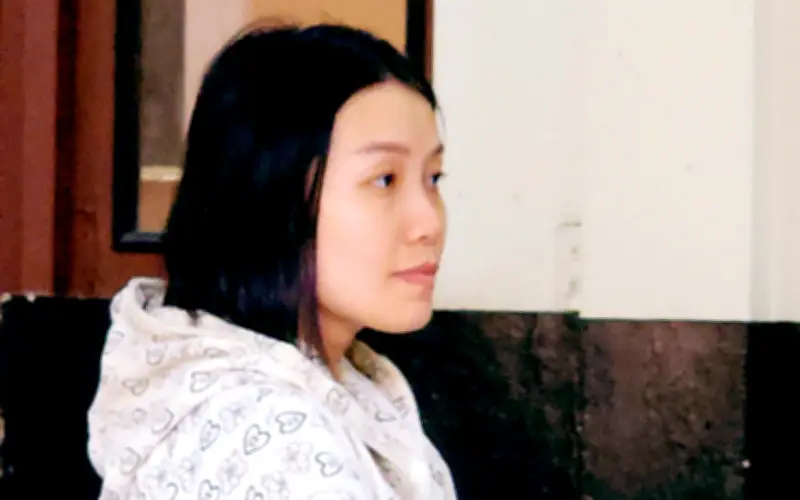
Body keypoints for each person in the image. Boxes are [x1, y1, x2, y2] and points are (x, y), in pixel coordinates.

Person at [87, 22, 457, 499]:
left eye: (433, 178)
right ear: (269, 195)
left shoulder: (337, 385)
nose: (429, 222)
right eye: (384, 180)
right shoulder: (271, 434)